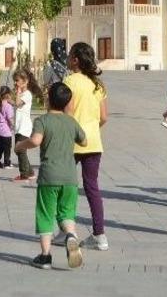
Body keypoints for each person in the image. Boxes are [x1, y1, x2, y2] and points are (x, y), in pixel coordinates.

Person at [14, 82, 87, 270]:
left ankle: (45, 256)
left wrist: (21, 146)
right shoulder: (71, 121)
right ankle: (71, 236)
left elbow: (36, 140)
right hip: (70, 177)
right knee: (66, 213)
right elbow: (84, 141)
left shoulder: (43, 120)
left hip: (49, 176)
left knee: (45, 214)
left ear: (48, 100)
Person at [63, 42, 109, 251]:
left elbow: (68, 113)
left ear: (75, 60)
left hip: (73, 140)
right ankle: (100, 235)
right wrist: (91, 128)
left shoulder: (70, 81)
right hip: (93, 141)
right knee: (92, 187)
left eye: (70, 54)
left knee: (66, 187)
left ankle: (67, 231)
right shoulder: (97, 85)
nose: (67, 57)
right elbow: (104, 117)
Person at [10, 68, 41, 181]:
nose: (15, 83)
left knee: (20, 149)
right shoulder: (23, 94)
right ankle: (30, 172)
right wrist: (9, 100)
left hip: (24, 127)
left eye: (17, 80)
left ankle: (24, 174)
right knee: (19, 149)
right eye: (14, 80)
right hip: (19, 126)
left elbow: (18, 104)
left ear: (25, 81)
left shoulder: (27, 94)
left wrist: (17, 93)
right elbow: (17, 104)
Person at [0, 86, 15, 169]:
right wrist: (13, 126)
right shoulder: (8, 106)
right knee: (7, 148)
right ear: (7, 95)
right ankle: (7, 163)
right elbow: (10, 118)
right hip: (6, 132)